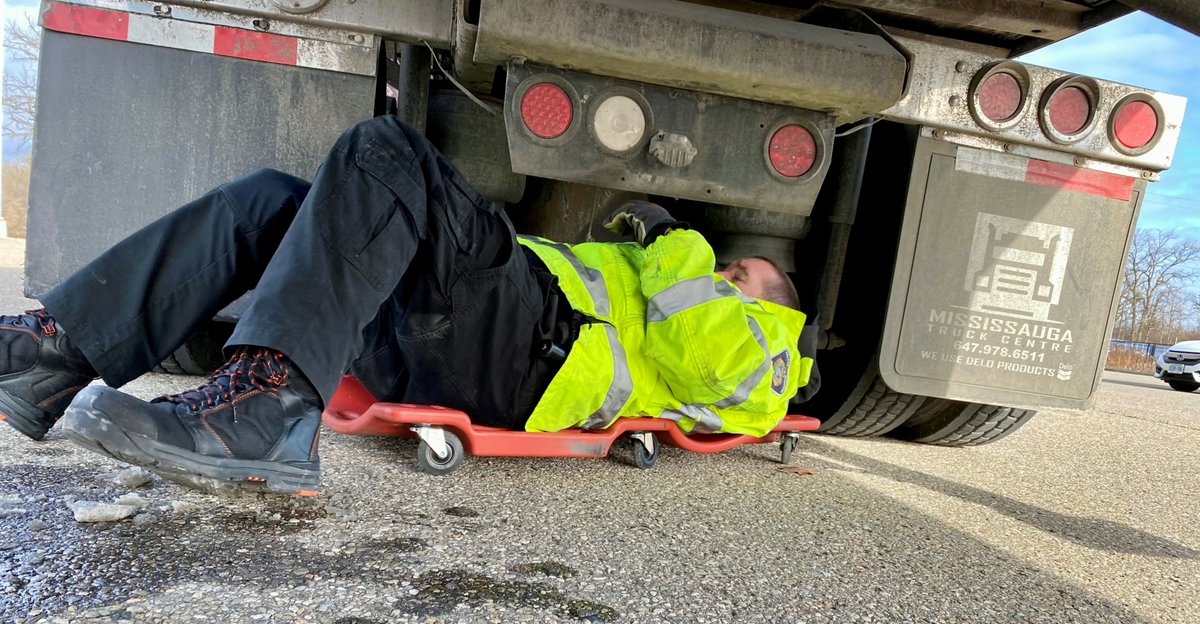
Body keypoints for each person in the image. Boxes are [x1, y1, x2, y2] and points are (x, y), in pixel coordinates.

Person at [0, 115, 812, 494]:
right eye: (730, 269)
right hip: (476, 328)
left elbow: (705, 360)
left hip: (536, 351)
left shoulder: (769, 348)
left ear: (779, 303)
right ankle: (55, 353)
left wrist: (682, 243)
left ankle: (268, 409)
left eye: (746, 276)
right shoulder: (688, 284)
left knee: (385, 148)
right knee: (268, 200)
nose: (728, 275)